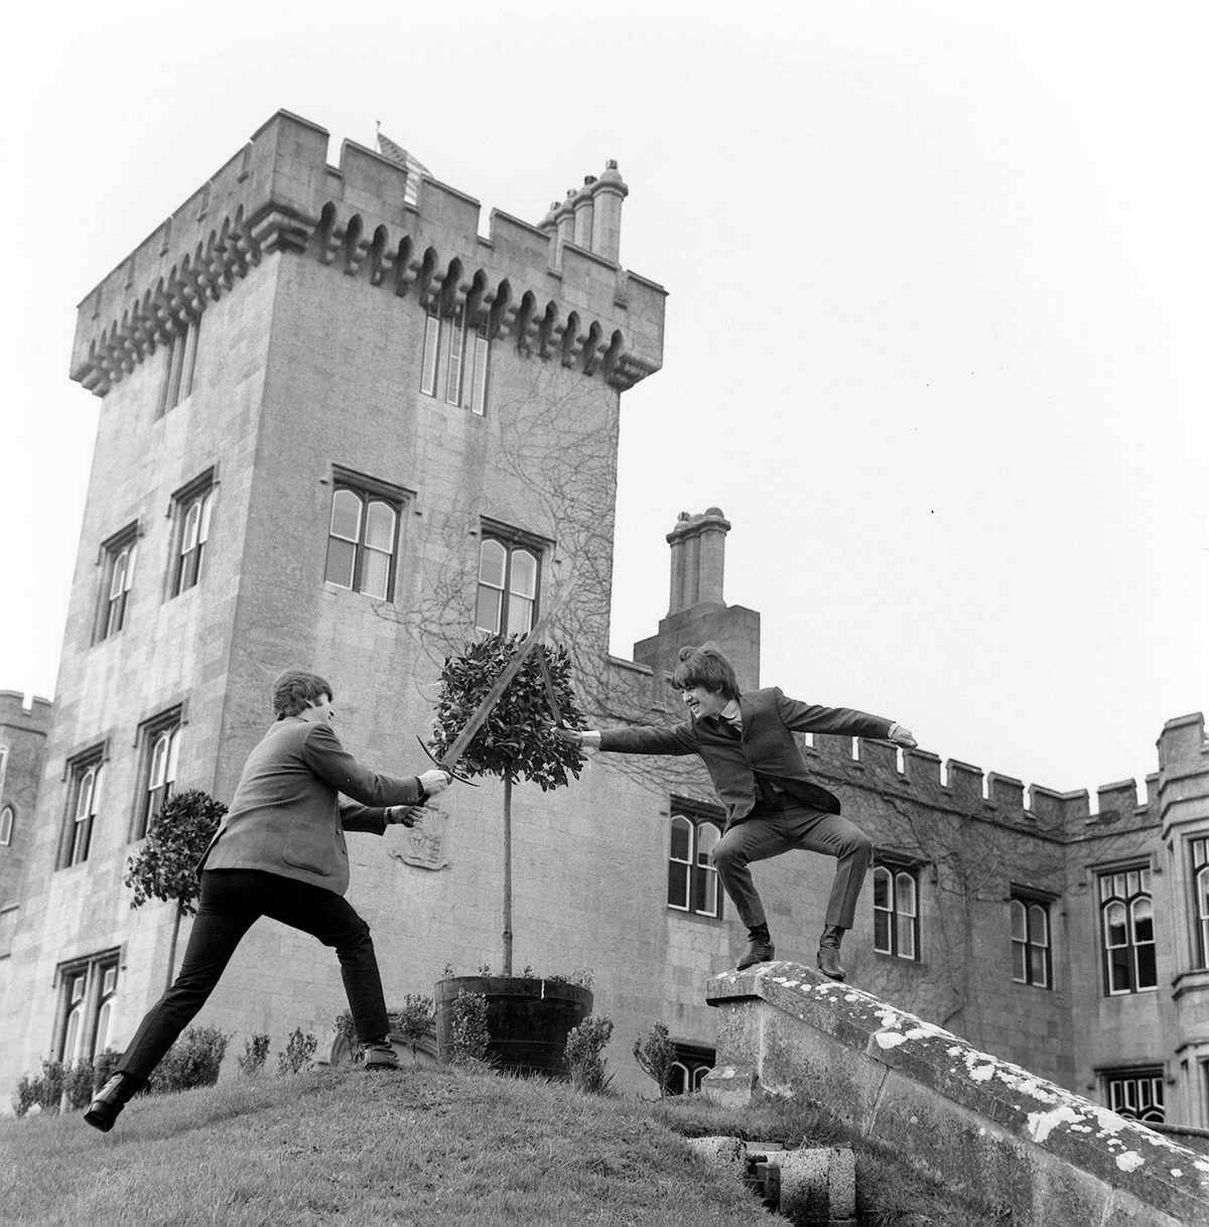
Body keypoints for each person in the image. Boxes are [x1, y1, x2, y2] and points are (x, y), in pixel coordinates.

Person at [85, 669, 451, 1132]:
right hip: (272, 870)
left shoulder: (270, 744)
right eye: (327, 700)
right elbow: (365, 783)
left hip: (224, 871)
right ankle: (378, 1049)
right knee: (353, 936)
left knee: (188, 988)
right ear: (306, 701)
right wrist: (419, 785)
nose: (332, 710)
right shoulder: (312, 734)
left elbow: (330, 807)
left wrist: (390, 815)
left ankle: (114, 1090)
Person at [558, 644, 916, 981]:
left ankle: (830, 942)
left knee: (858, 843)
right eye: (682, 692)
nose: (685, 699)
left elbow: (832, 719)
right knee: (725, 852)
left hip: (807, 814)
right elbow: (649, 737)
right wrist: (590, 738)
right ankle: (759, 939)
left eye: (690, 690)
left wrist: (888, 728)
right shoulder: (698, 732)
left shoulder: (770, 705)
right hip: (760, 823)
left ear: (715, 684)